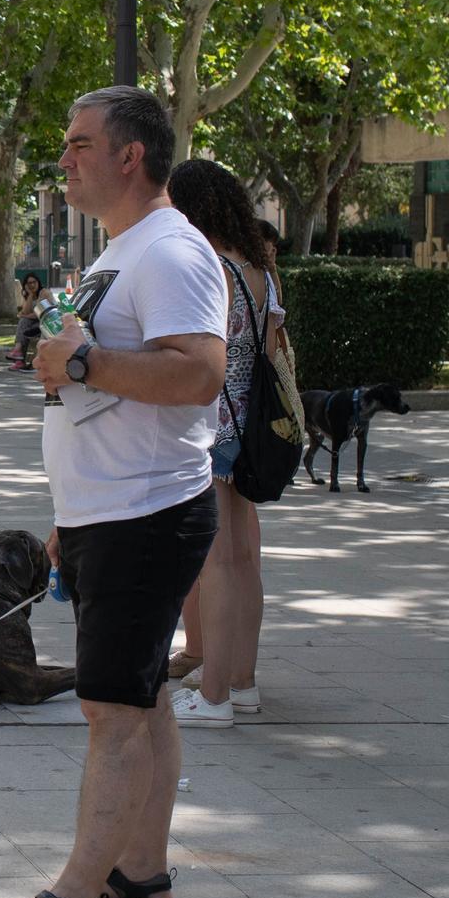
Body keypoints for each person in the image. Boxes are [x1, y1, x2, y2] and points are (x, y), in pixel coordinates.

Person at [0, 86, 226, 898]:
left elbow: (198, 375)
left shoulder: (173, 253)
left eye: (81, 143)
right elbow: (104, 387)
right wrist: (68, 518)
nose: (66, 157)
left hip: (147, 515)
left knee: (109, 711)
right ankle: (141, 873)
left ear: (131, 155)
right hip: (109, 513)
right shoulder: (126, 250)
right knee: (142, 696)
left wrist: (79, 356)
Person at [164, 159, 289, 730]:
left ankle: (213, 695)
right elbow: (269, 347)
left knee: (215, 562)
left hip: (212, 427)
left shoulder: (207, 267)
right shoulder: (261, 269)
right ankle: (243, 684)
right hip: (250, 426)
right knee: (243, 561)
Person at [7, 269, 61, 371]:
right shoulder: (28, 295)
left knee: (24, 321)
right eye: (29, 283)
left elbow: (39, 313)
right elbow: (25, 311)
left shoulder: (44, 292)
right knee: (23, 323)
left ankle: (19, 355)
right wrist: (30, 295)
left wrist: (25, 316)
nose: (32, 285)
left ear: (38, 282)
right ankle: (19, 358)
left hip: (49, 322)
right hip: (38, 323)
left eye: (34, 282)